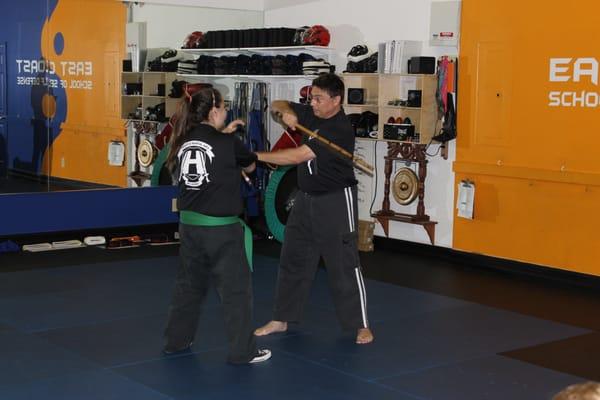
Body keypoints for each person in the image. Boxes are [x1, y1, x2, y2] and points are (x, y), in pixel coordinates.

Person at [254, 73, 374, 344]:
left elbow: (297, 156)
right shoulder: (312, 114)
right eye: (311, 97)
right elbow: (278, 103)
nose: (313, 103)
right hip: (305, 198)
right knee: (292, 258)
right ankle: (281, 318)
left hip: (335, 199)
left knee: (343, 264)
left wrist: (255, 156)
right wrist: (287, 113)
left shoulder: (340, 128)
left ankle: (361, 324)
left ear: (336, 100)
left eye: (319, 98)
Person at [163, 87, 271, 364]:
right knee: (235, 290)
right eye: (224, 108)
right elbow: (249, 167)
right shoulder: (229, 143)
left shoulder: (182, 139)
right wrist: (232, 143)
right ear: (214, 111)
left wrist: (225, 138)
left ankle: (176, 341)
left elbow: (209, 151)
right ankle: (243, 352)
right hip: (220, 230)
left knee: (188, 288)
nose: (226, 113)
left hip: (188, 227)